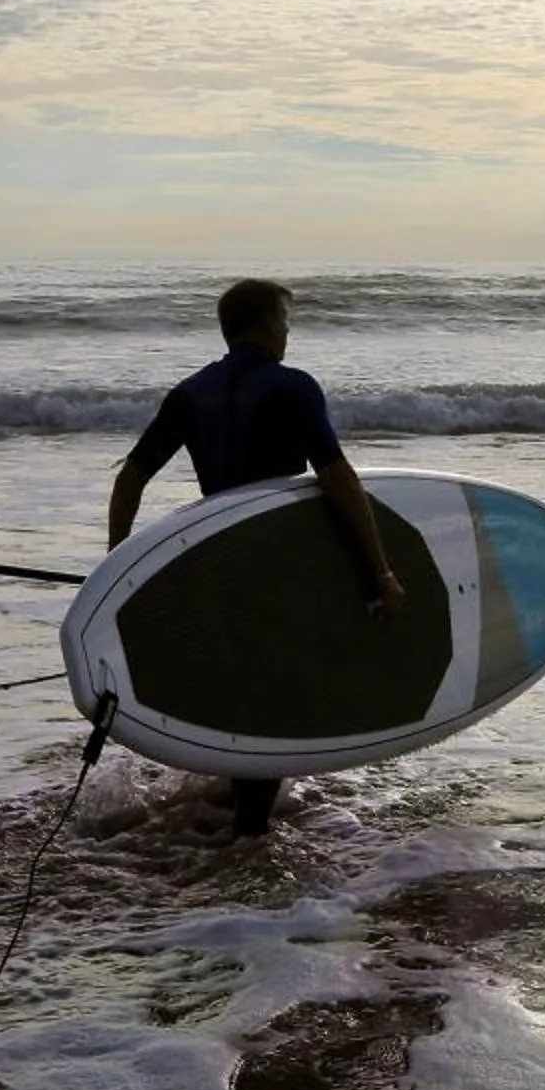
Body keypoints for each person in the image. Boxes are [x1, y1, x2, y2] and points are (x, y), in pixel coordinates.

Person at [107, 277, 404, 836]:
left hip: (218, 565)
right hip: (279, 563)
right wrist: (380, 571)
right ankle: (250, 839)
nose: (288, 330)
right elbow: (337, 478)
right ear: (268, 324)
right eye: (285, 320)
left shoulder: (190, 392)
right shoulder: (292, 387)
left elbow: (131, 477)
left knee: (244, 688)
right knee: (279, 698)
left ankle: (239, 818)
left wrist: (115, 566)